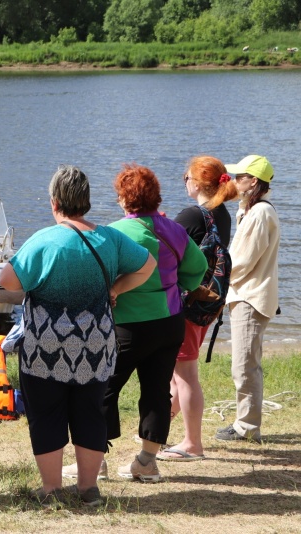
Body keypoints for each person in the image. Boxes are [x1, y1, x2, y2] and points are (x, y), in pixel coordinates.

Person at [0, 165, 155, 507]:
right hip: (95, 345)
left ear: (55, 201)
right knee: (90, 412)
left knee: (46, 414)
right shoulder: (111, 238)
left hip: (46, 347)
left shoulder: (43, 239)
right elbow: (147, 267)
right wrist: (116, 288)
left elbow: (8, 282)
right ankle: (89, 489)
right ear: (85, 200)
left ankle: (52, 489)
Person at [102, 164, 207, 482]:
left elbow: (102, 276)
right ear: (155, 197)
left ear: (123, 198)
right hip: (170, 323)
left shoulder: (116, 232)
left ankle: (94, 461)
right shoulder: (174, 229)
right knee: (157, 391)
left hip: (129, 326)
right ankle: (147, 462)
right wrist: (178, 286)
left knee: (101, 389)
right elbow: (198, 267)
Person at [159, 156, 236, 462]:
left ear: (199, 182)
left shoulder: (193, 215)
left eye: (186, 177)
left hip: (187, 302)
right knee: (178, 372)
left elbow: (161, 249)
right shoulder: (223, 214)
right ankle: (158, 433)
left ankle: (193, 444)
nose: (184, 181)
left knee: (185, 373)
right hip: (206, 302)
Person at [215, 155, 280, 443]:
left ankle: (247, 427)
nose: (232, 181)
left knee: (244, 365)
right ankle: (245, 422)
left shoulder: (259, 213)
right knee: (244, 362)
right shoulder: (251, 210)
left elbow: (241, 261)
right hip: (248, 294)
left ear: (253, 181)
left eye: (239, 176)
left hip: (251, 297)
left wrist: (214, 280)